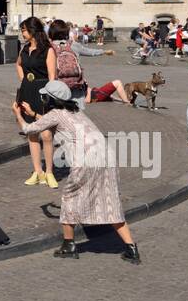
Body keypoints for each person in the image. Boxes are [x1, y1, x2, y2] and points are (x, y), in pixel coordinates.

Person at [27, 81, 141, 264]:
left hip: (86, 161)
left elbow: (30, 129)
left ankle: (69, 245)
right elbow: (51, 123)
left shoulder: (55, 114)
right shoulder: (76, 111)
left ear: (50, 99)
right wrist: (35, 114)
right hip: (107, 158)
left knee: (69, 198)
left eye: (45, 96)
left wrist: (19, 114)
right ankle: (131, 248)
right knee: (110, 201)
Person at [13, 17, 57, 188]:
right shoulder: (24, 49)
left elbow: (52, 77)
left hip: (43, 92)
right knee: (31, 132)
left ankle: (50, 172)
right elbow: (18, 64)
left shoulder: (47, 50)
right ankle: (37, 171)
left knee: (46, 134)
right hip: (27, 91)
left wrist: (49, 95)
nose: (22, 33)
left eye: (24, 30)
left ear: (32, 30)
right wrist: (24, 80)